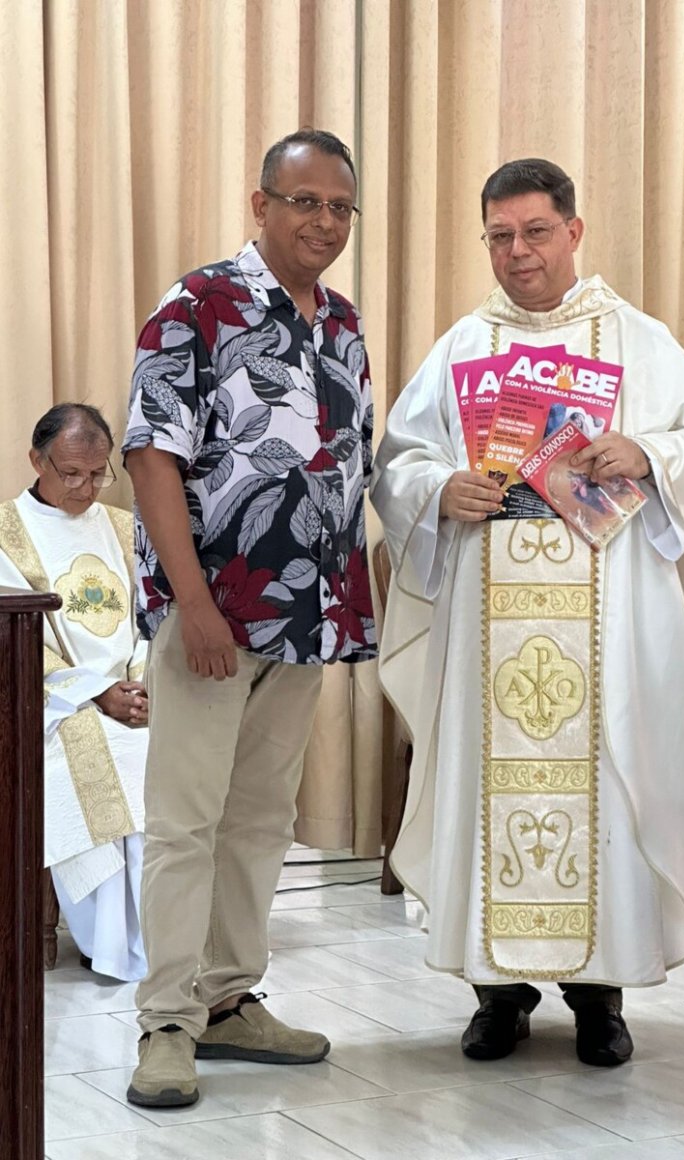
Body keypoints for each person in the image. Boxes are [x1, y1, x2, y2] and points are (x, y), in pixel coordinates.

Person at [371, 158, 684, 1066]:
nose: (517, 252)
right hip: (486, 617)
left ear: (573, 232)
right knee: (485, 789)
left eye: (535, 232)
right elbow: (397, 461)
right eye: (499, 235)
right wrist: (437, 487)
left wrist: (645, 451)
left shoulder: (638, 341)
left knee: (607, 784)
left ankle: (599, 994)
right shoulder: (464, 346)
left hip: (610, 622)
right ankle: (497, 993)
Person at [122, 128, 377, 1109]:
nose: (322, 221)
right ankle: (166, 1023)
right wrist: (192, 602)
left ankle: (230, 998)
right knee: (186, 820)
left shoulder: (343, 320)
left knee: (261, 817)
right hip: (213, 614)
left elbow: (344, 458)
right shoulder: (198, 303)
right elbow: (152, 454)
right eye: (304, 200)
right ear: (260, 203)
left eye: (339, 207)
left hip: (308, 613)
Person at [0, 403, 147, 981]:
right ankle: (110, 942)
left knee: (175, 751)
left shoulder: (120, 527)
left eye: (98, 473)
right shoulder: (6, 535)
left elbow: (148, 619)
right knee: (102, 754)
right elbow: (17, 641)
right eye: (71, 474)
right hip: (53, 707)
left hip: (131, 697)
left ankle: (171, 938)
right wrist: (98, 693)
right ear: (37, 460)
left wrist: (140, 681)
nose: (87, 488)